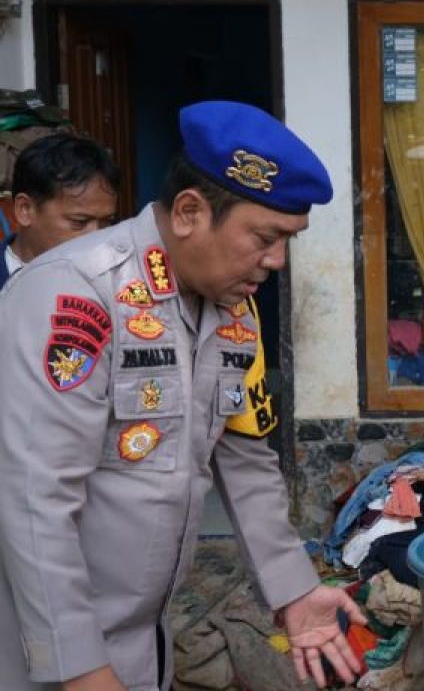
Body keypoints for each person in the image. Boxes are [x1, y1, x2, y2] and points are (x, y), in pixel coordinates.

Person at [0, 101, 364, 691]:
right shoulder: (75, 294)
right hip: (47, 651)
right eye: (266, 237)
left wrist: (294, 590)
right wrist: (81, 669)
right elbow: (33, 499)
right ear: (191, 212)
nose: (276, 260)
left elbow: (245, 458)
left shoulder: (232, 310)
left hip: (144, 640)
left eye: (287, 241)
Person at [1, 132, 119, 290]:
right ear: (25, 209)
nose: (97, 237)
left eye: (107, 222)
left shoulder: (120, 280)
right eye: (79, 222)